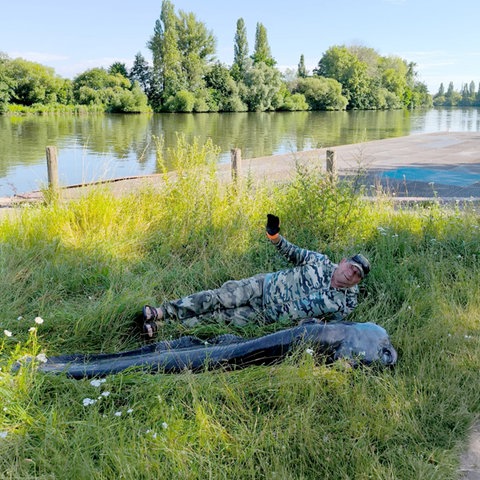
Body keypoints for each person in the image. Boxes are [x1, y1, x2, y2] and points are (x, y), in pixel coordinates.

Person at [142, 214, 370, 337]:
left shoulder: (345, 303)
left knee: (218, 318)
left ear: (358, 280)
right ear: (342, 262)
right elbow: (292, 252)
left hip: (267, 315)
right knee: (217, 298)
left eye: (356, 274)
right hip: (261, 287)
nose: (351, 273)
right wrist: (275, 236)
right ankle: (162, 311)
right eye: (351, 266)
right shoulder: (319, 261)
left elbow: (330, 329)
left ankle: (165, 327)